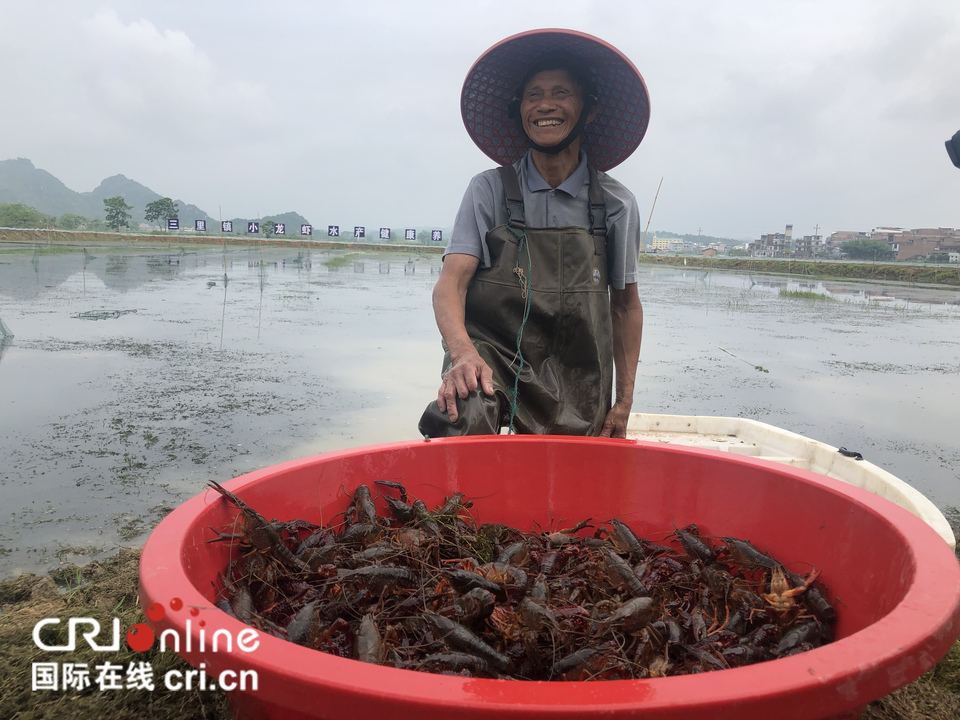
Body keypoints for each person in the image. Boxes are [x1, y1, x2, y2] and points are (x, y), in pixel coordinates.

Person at [418, 29, 650, 439]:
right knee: (462, 409)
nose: (545, 105)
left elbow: (625, 308)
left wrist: (625, 400)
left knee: (576, 484)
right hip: (493, 362)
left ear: (589, 111)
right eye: (533, 95)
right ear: (519, 110)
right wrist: (462, 353)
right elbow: (450, 284)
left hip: (580, 373)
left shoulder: (616, 205)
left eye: (561, 93)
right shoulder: (488, 190)